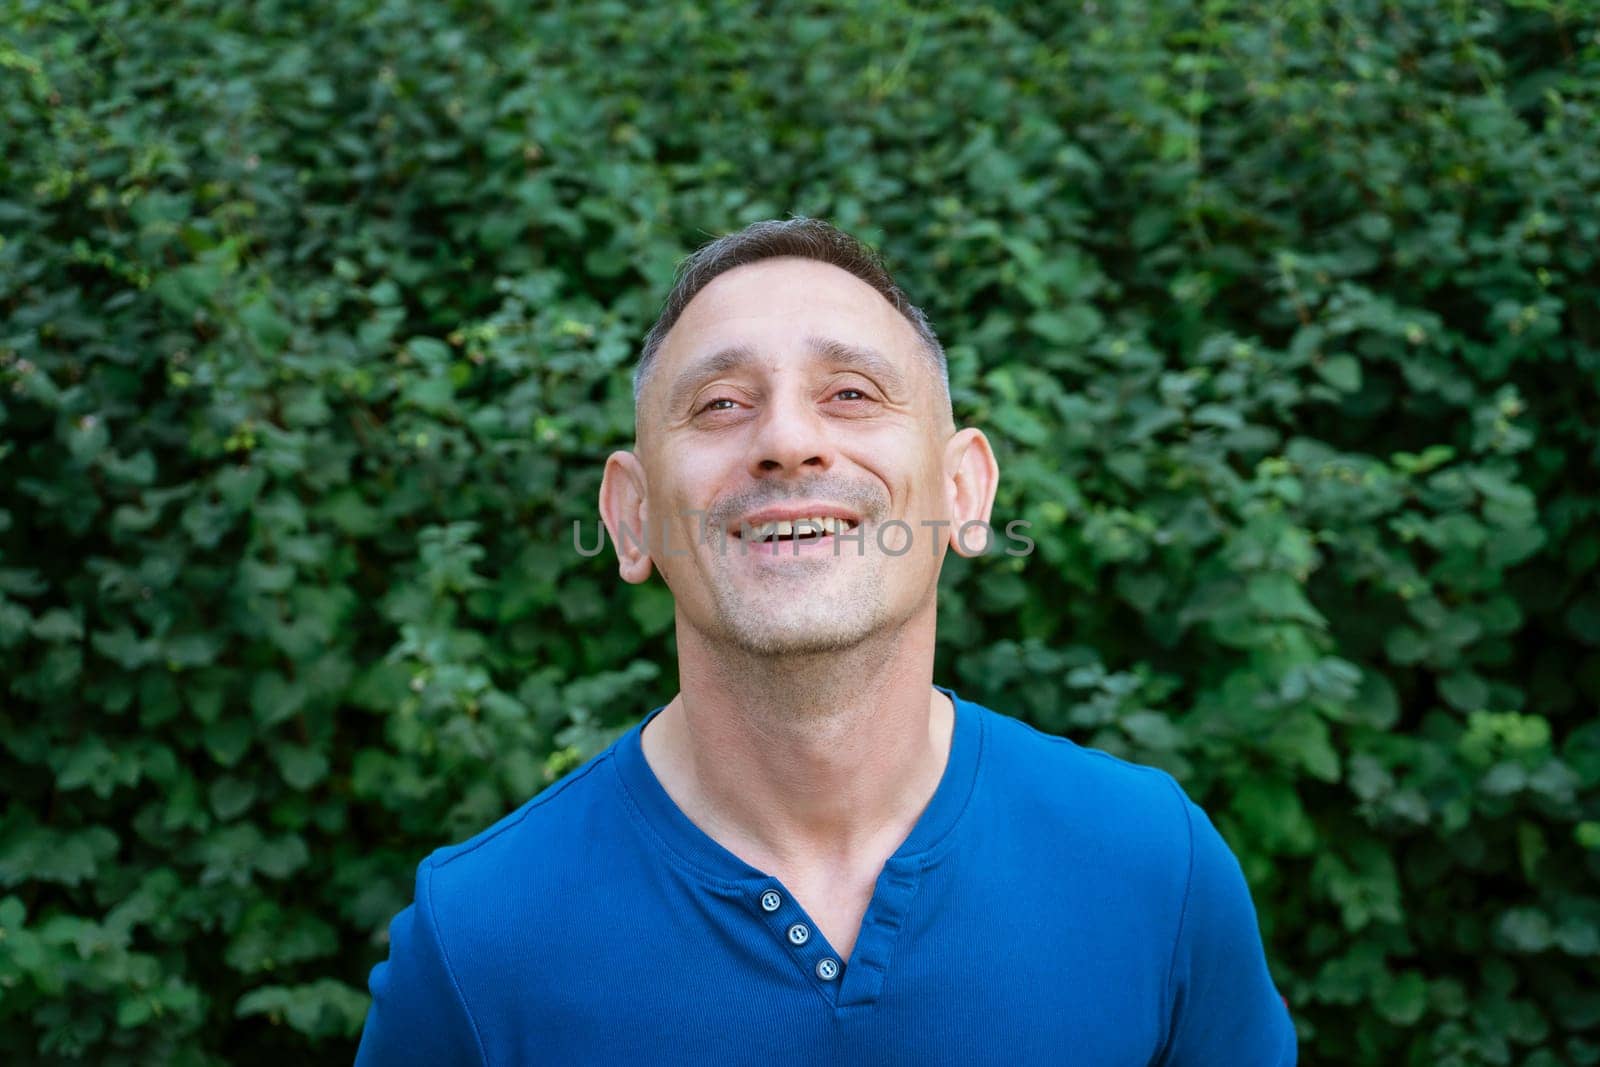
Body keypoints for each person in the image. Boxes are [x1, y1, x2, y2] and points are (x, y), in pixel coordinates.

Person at [353, 218, 1297, 1065]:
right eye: (720, 403)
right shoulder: (477, 938)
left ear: (964, 493)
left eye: (850, 392)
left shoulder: (1150, 866)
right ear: (631, 519)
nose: (788, 440)